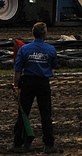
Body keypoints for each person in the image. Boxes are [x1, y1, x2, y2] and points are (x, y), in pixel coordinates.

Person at [9, 22, 59, 154]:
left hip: (28, 83)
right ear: (45, 34)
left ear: (33, 33)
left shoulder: (24, 50)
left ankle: (17, 144)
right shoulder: (51, 50)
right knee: (46, 114)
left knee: (23, 113)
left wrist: (16, 87)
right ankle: (49, 145)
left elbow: (17, 70)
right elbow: (54, 65)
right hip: (43, 83)